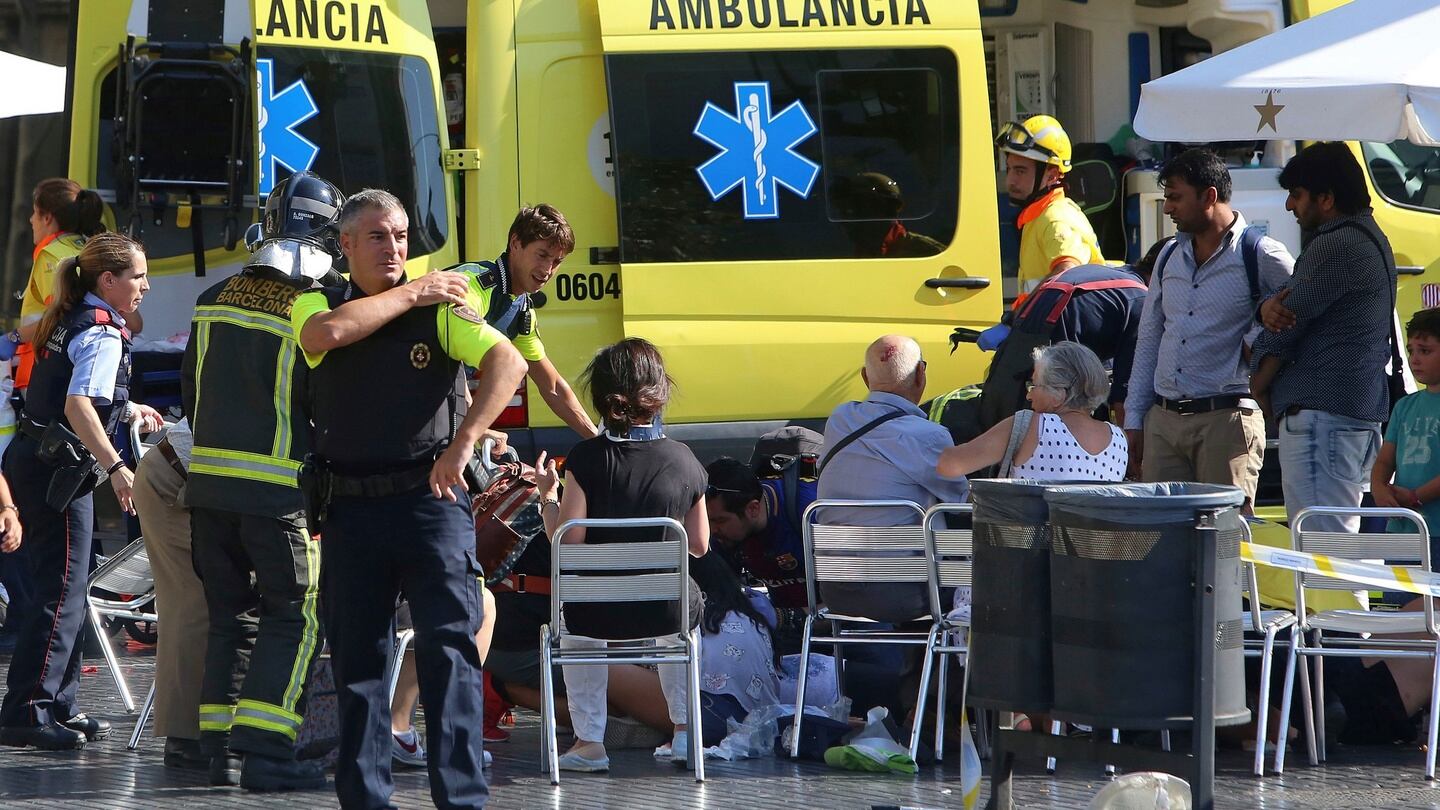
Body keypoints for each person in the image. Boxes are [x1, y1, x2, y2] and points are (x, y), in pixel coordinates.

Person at [292, 188, 526, 809]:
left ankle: (462, 800)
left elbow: (507, 363)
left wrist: (465, 442)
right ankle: (366, 799)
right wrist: (414, 292)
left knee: (450, 653)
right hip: (351, 508)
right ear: (345, 245)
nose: (394, 248)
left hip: (428, 502)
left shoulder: (442, 309)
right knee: (358, 663)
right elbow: (331, 333)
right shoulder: (318, 300)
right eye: (377, 236)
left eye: (400, 236)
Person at [181, 172, 344, 791]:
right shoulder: (316, 313)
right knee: (295, 616)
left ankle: (217, 748)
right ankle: (269, 753)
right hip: (276, 499)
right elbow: (326, 414)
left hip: (208, 492)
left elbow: (191, 399)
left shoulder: (213, 298)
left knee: (231, 618)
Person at [0, 232, 162, 750]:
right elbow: (78, 406)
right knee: (63, 592)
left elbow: (79, 392)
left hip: (36, 461)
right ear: (107, 280)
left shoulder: (76, 318)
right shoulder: (101, 331)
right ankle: (31, 710)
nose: (146, 286)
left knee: (64, 589)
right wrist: (118, 467)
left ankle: (55, 705)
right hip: (57, 472)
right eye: (137, 276)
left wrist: (127, 407)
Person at [532, 337, 710, 773]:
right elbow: (701, 545)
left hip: (595, 615)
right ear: (660, 392)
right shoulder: (685, 460)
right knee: (682, 618)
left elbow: (568, 544)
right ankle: (685, 734)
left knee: (575, 624)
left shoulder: (586, 458)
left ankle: (590, 742)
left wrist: (546, 500)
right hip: (663, 612)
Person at [1123, 148, 1294, 509]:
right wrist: (1136, 419)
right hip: (1163, 422)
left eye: (1175, 197)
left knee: (1224, 542)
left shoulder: (1262, 253)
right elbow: (1150, 339)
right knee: (1162, 542)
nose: (1168, 208)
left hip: (1227, 421)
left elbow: (1301, 315)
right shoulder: (1169, 255)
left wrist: (1254, 336)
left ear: (1210, 196)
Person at [1252, 142, 1396, 534]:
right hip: (1348, 413)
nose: (1288, 207)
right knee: (1339, 555)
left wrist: (1258, 380)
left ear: (1327, 199)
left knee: (1324, 558)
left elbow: (1288, 322)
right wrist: (1266, 308)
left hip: (1322, 417)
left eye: (1296, 196)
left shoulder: (1337, 244)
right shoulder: (1369, 238)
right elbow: (1285, 307)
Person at [817, 335, 969, 623]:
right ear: (921, 374)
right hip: (909, 596)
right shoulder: (929, 436)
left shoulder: (838, 420)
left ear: (865, 377)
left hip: (837, 591)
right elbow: (962, 502)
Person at [462, 204, 598, 438]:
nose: (547, 270)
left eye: (557, 261)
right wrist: (475, 430)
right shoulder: (474, 284)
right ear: (515, 243)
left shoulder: (521, 307)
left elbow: (552, 387)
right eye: (542, 255)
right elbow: (446, 369)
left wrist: (597, 440)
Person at [131, 417, 210, 771]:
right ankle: (185, 737)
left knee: (200, 605)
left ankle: (198, 731)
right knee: (195, 607)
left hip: (185, 477)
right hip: (173, 481)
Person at [938, 342, 1126, 481]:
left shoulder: (1030, 425)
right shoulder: (1119, 439)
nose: (1029, 396)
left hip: (1031, 535)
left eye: (1035, 385)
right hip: (1087, 536)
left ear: (1059, 395)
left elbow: (950, 465)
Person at [9, 178, 111, 393]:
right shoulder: (87, 249)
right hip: (80, 368)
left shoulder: (51, 256)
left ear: (47, 218)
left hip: (46, 371)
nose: (30, 220)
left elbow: (61, 319)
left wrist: (13, 337)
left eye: (34, 213)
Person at [994, 115, 1104, 299]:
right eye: (1009, 168)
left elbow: (1068, 269)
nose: (1011, 180)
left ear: (1052, 175)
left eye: (1020, 171)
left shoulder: (1055, 217)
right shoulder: (1039, 215)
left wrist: (1024, 314)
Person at [689, 550, 781, 747]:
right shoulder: (753, 618)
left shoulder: (692, 616)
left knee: (613, 669)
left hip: (711, 714)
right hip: (758, 719)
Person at [704, 457, 810, 617]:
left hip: (841, 629)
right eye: (707, 520)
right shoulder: (723, 534)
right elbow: (720, 596)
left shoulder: (809, 513)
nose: (711, 530)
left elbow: (849, 602)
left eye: (719, 520)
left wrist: (787, 618)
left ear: (753, 509)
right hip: (783, 618)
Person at [828, 172, 943, 258]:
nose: (847, 221)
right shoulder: (843, 255)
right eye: (845, 212)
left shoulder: (929, 254)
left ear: (890, 210)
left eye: (859, 209)